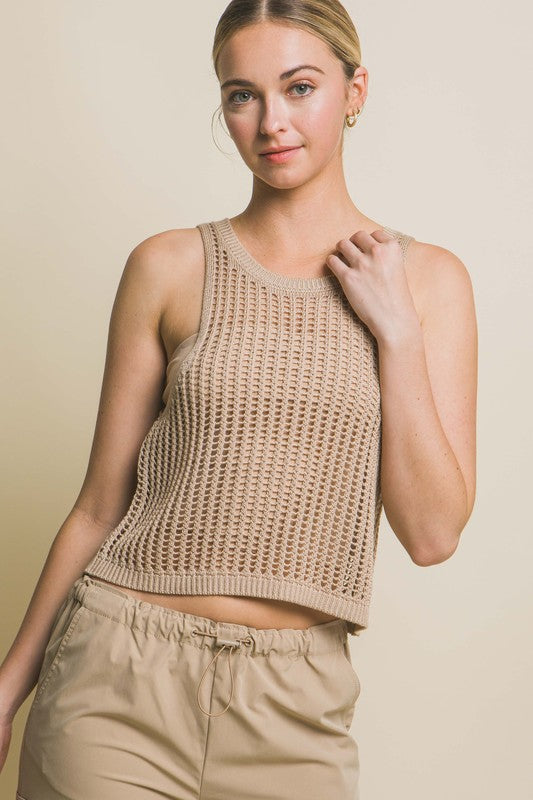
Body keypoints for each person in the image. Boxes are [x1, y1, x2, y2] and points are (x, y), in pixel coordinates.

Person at [1, 1, 477, 798]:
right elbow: (96, 505)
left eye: (299, 87)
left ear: (354, 91)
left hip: (295, 709)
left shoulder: (427, 283)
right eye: (241, 94)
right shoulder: (169, 265)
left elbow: (431, 536)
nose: (271, 123)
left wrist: (394, 332)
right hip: (117, 680)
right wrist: (10, 684)